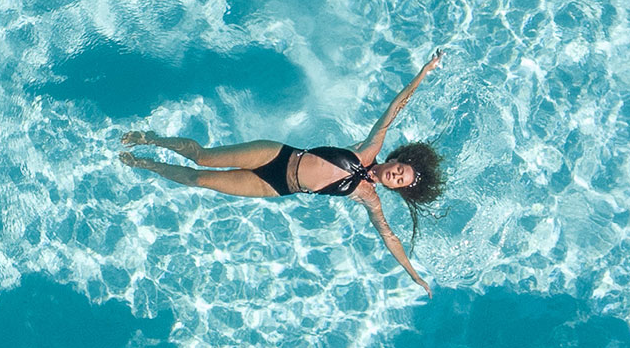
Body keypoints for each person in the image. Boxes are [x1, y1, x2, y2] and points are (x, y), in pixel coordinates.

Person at [119, 49, 448, 294]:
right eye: (400, 170)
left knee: (200, 180)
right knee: (203, 158)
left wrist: (413, 275)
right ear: (395, 160)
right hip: (277, 154)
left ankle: (147, 164)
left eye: (400, 181)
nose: (396, 176)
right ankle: (152, 140)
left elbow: (389, 237)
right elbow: (394, 108)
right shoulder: (369, 149)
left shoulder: (368, 197)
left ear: (397, 189)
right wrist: (424, 71)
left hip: (275, 186)